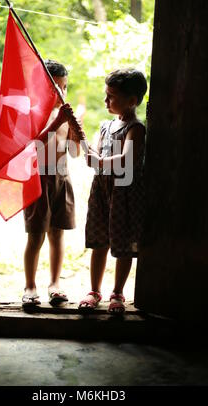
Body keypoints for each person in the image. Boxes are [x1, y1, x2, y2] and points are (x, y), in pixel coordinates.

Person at [78, 68, 147, 314]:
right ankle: (94, 290)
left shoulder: (136, 128)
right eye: (106, 95)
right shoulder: (106, 126)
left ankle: (117, 291)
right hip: (102, 192)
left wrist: (98, 162)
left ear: (132, 101)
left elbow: (126, 160)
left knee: (123, 244)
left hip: (123, 194)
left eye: (112, 96)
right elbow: (94, 156)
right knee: (99, 242)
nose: (106, 101)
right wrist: (81, 139)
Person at [22, 59, 84, 307]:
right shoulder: (33, 113)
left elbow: (74, 153)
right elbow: (33, 148)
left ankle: (55, 283)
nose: (61, 93)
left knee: (57, 235)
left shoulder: (65, 117)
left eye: (65, 87)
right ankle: (30, 285)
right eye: (55, 87)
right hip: (38, 179)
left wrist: (75, 136)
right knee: (36, 236)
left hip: (62, 178)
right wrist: (57, 122)